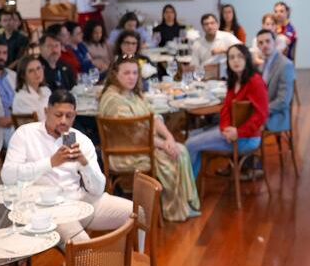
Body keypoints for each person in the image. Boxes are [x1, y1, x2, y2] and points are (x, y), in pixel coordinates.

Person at [0, 90, 132, 243]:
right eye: (58, 115)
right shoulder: (26, 134)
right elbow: (7, 176)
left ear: (75, 115)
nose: (63, 121)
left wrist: (85, 165)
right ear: (46, 112)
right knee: (82, 244)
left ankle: (136, 254)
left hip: (78, 201)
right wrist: (50, 163)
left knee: (136, 212)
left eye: (69, 116)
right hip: (45, 209)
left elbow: (98, 190)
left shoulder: (81, 140)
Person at [98, 57, 200, 221]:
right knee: (176, 154)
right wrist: (163, 145)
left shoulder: (131, 93)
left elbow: (153, 116)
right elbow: (135, 133)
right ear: (115, 74)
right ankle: (173, 209)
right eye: (126, 73)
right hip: (125, 153)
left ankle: (184, 203)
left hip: (142, 145)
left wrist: (169, 137)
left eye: (135, 73)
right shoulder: (113, 100)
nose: (132, 77)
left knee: (180, 149)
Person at [185, 43, 267, 179]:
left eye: (240, 56)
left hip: (248, 138)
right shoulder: (234, 80)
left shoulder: (255, 82)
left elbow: (261, 116)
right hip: (232, 133)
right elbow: (226, 109)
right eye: (231, 57)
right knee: (192, 135)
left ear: (247, 58)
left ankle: (187, 187)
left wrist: (238, 132)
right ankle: (190, 182)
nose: (236, 60)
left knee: (190, 144)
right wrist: (225, 128)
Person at [253, 29, 295, 135]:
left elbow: (283, 101)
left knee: (241, 122)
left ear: (275, 43)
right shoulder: (263, 63)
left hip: (277, 115)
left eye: (268, 41)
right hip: (265, 108)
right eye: (261, 43)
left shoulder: (285, 65)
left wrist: (260, 110)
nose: (265, 45)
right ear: (258, 46)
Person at [12, 55, 50, 122]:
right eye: (31, 71)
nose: (37, 73)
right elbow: (36, 123)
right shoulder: (21, 98)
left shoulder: (46, 90)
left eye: (38, 68)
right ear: (23, 75)